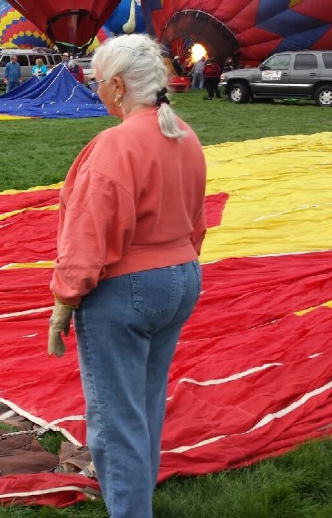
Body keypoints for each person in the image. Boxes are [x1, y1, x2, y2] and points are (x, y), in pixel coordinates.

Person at [47, 33, 205, 518]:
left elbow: (89, 233)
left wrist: (64, 302)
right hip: (181, 277)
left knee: (116, 417)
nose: (95, 92)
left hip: (127, 288)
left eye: (97, 84)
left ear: (117, 87)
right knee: (146, 401)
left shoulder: (115, 144)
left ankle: (132, 510)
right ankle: (138, 494)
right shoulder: (183, 133)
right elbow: (197, 218)